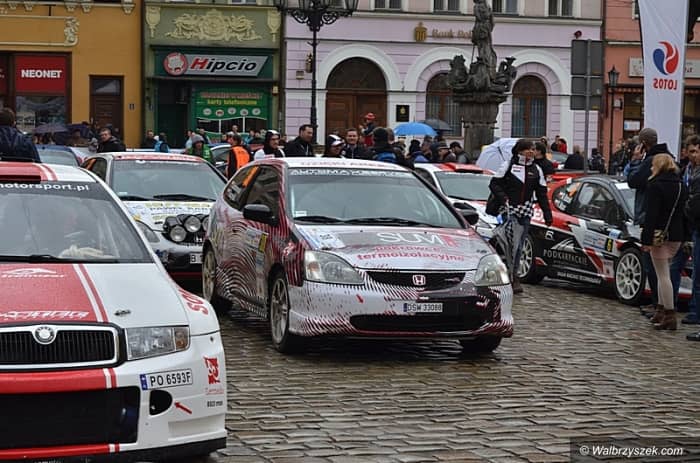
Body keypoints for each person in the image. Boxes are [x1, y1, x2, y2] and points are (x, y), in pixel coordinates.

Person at [489, 139, 552, 294]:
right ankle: (504, 272)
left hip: (525, 212)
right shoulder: (508, 165)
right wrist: (504, 198)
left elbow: (542, 193)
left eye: (533, 149)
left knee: (518, 245)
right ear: (519, 150)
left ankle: (514, 276)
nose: (531, 151)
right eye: (527, 149)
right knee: (509, 243)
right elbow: (494, 184)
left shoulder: (536, 169)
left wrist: (547, 214)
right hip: (508, 210)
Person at [641, 153, 687, 330]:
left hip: (659, 234)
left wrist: (646, 239)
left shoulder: (655, 185)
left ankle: (669, 314)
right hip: (676, 234)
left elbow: (651, 214)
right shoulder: (681, 185)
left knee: (663, 275)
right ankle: (661, 310)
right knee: (664, 272)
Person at [628, 127, 670, 316]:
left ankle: (658, 304)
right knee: (663, 268)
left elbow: (633, 181)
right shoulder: (668, 157)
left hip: (650, 217)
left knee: (653, 265)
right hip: (667, 219)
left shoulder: (651, 160)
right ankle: (663, 305)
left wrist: (635, 160)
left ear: (643, 144)